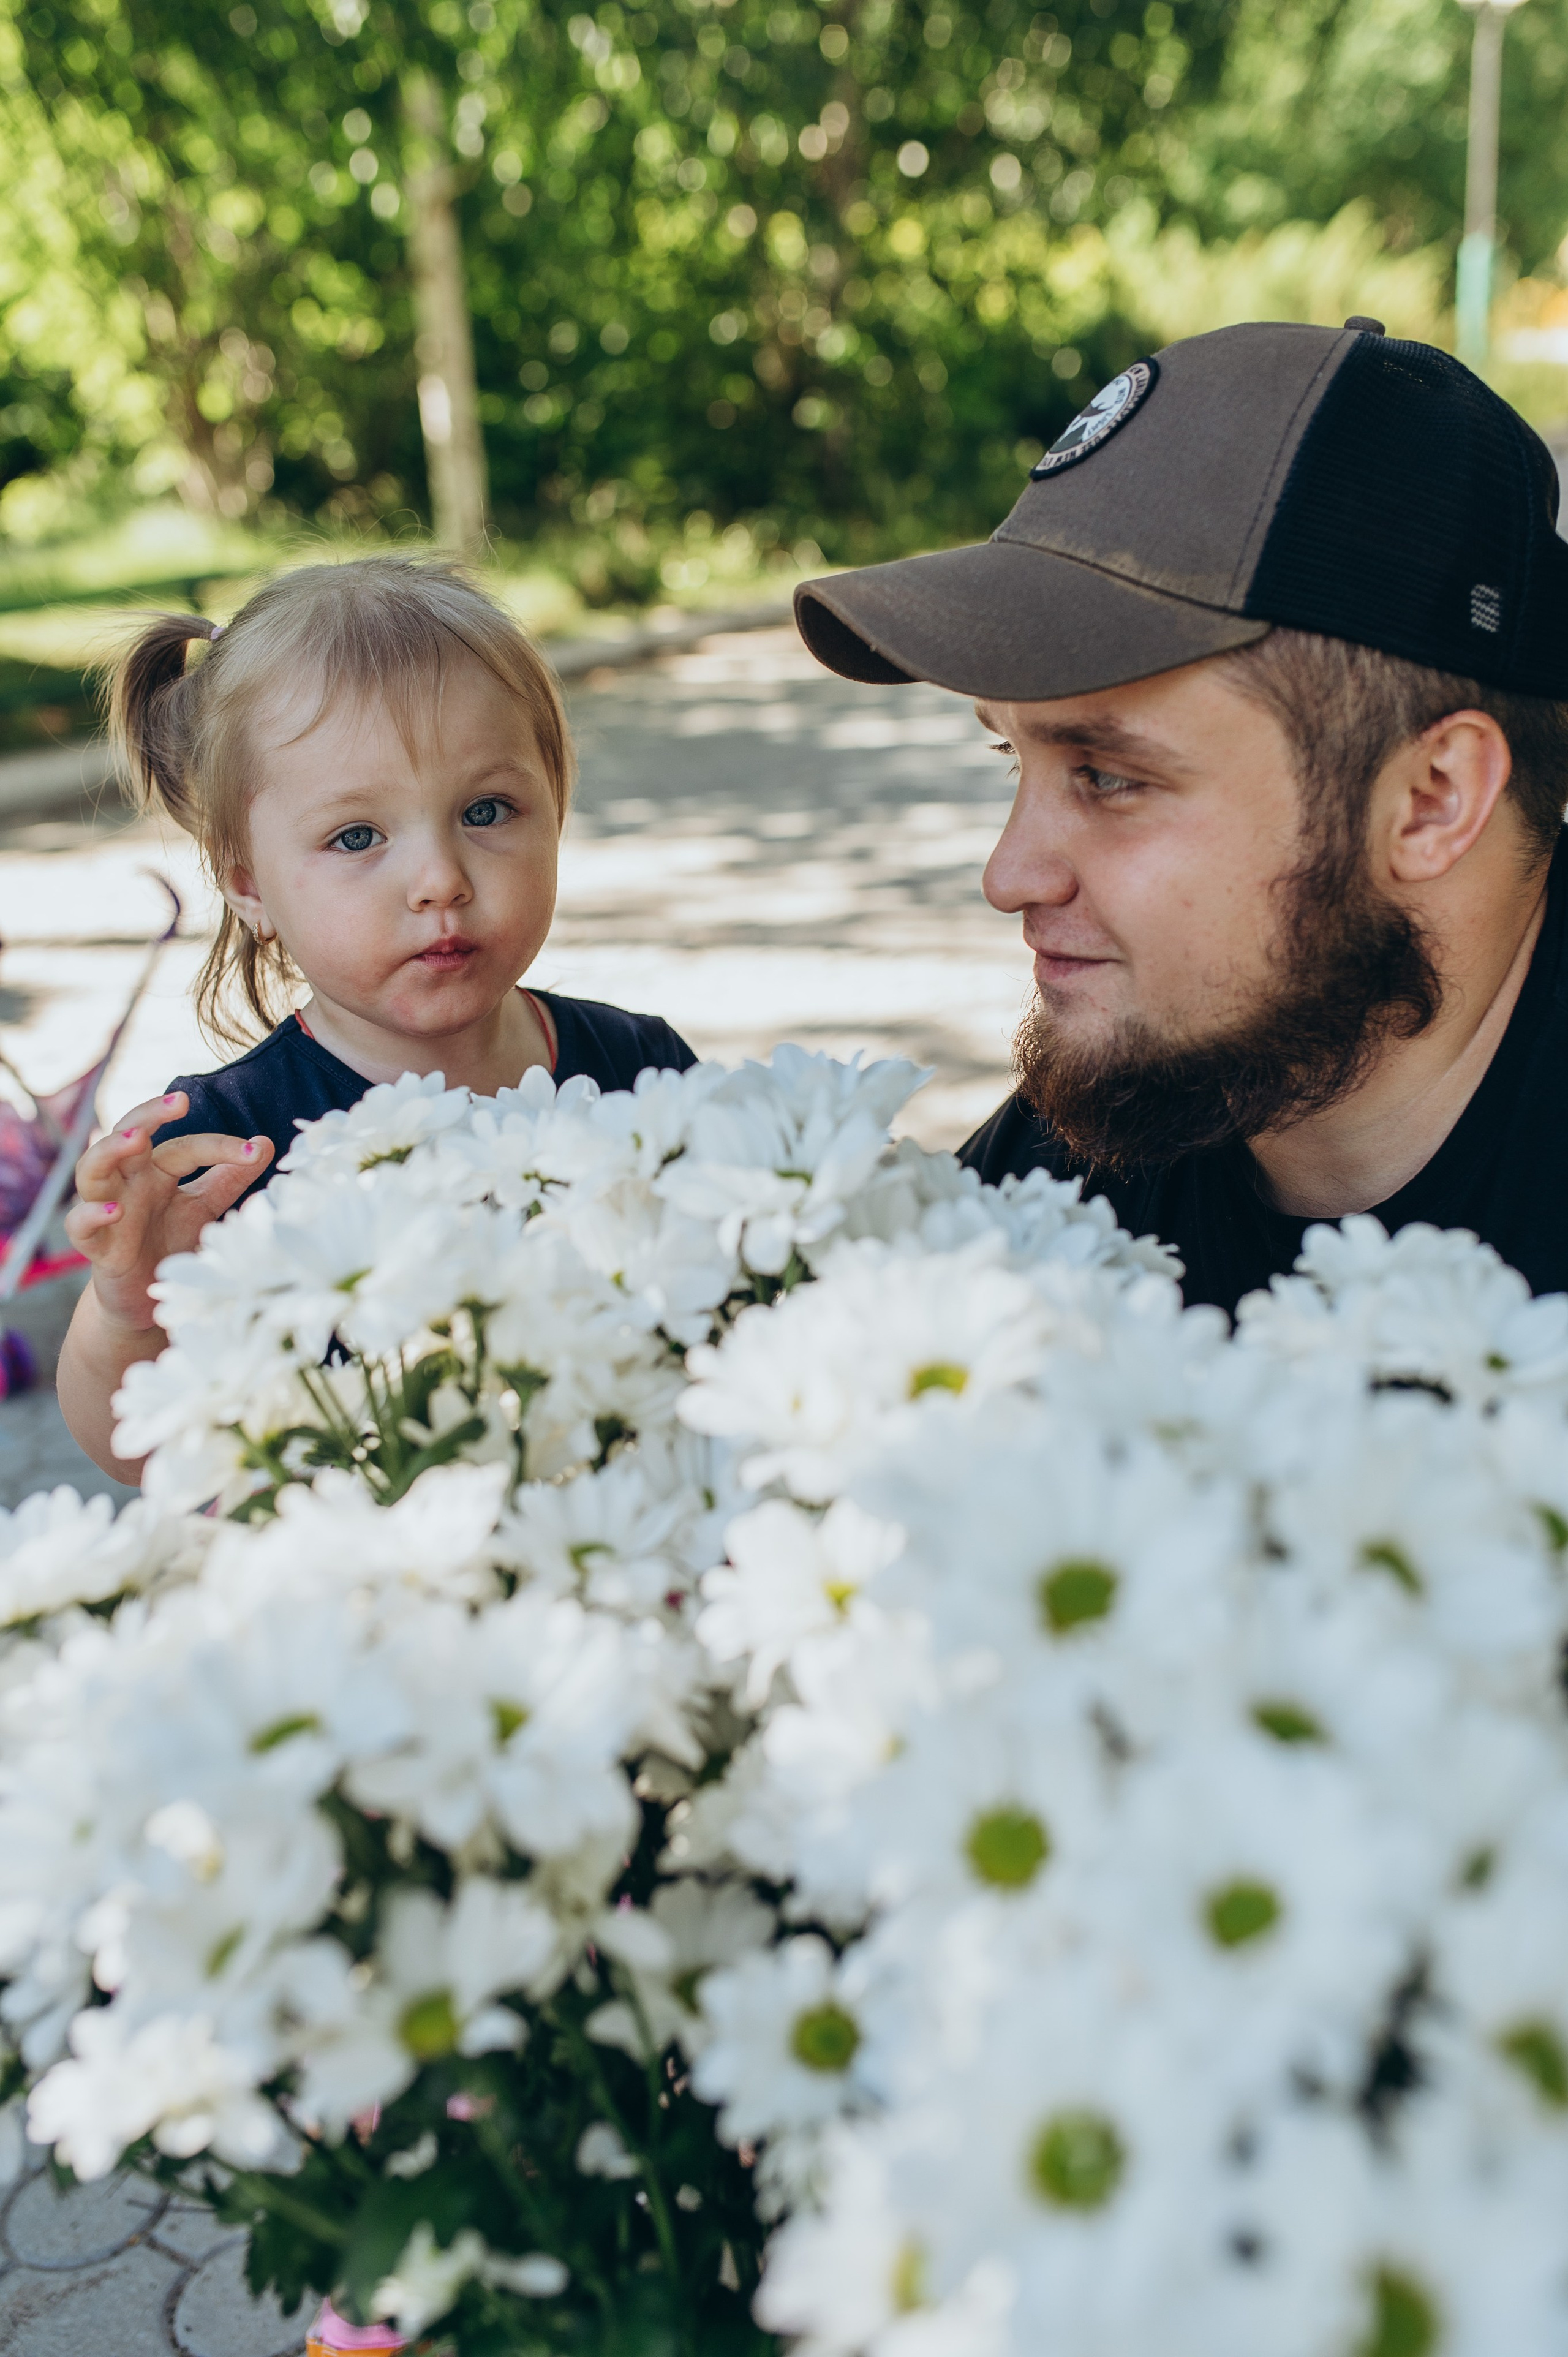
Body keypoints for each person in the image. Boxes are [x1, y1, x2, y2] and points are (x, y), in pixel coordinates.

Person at [794, 318, 1568, 1317]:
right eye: (1011, 755)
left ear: (1432, 802)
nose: (1009, 875)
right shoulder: (1107, 1139)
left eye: (1109, 776)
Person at [58, 556, 695, 1477]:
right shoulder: (221, 1152)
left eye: (488, 809)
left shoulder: (643, 1067)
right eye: (358, 837)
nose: (440, 879)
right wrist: (129, 1313)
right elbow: (130, 1448)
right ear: (249, 885)